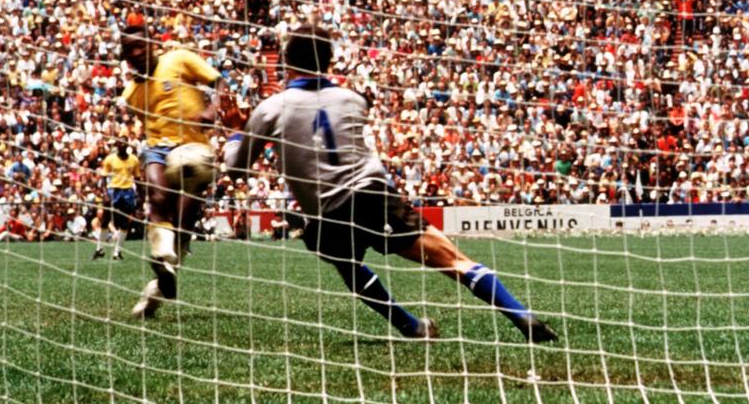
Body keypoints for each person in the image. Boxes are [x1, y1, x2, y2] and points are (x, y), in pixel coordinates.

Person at [223, 25, 558, 342]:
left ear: (285, 62)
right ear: (329, 61)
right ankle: (519, 314)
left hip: (328, 213)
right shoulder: (353, 99)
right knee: (454, 260)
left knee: (347, 264)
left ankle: (411, 326)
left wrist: (238, 130)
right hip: (373, 194)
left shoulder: (271, 109)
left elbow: (236, 169)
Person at [119, 22, 225, 318]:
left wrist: (211, 110)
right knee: (157, 194)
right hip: (158, 149)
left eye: (141, 45)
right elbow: (149, 126)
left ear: (153, 44)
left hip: (194, 151)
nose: (138, 53)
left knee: (182, 227)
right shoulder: (131, 93)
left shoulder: (179, 58)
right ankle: (160, 257)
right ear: (124, 57)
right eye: (130, 50)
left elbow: (218, 80)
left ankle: (154, 291)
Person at [93, 132, 141, 261]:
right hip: (113, 191)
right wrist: (104, 193)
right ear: (116, 145)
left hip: (128, 192)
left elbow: (138, 178)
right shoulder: (110, 159)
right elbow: (103, 177)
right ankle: (99, 249)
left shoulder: (134, 159)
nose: (122, 145)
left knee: (125, 223)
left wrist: (139, 195)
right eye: (119, 143)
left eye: (124, 143)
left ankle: (117, 252)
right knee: (105, 219)